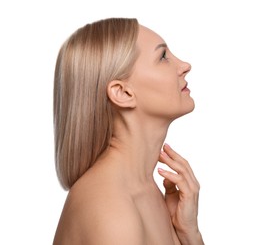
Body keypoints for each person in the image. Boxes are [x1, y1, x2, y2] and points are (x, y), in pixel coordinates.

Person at [53, 18, 204, 245]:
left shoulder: (144, 188)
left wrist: (189, 234)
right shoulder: (111, 210)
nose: (185, 65)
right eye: (163, 57)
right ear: (122, 93)